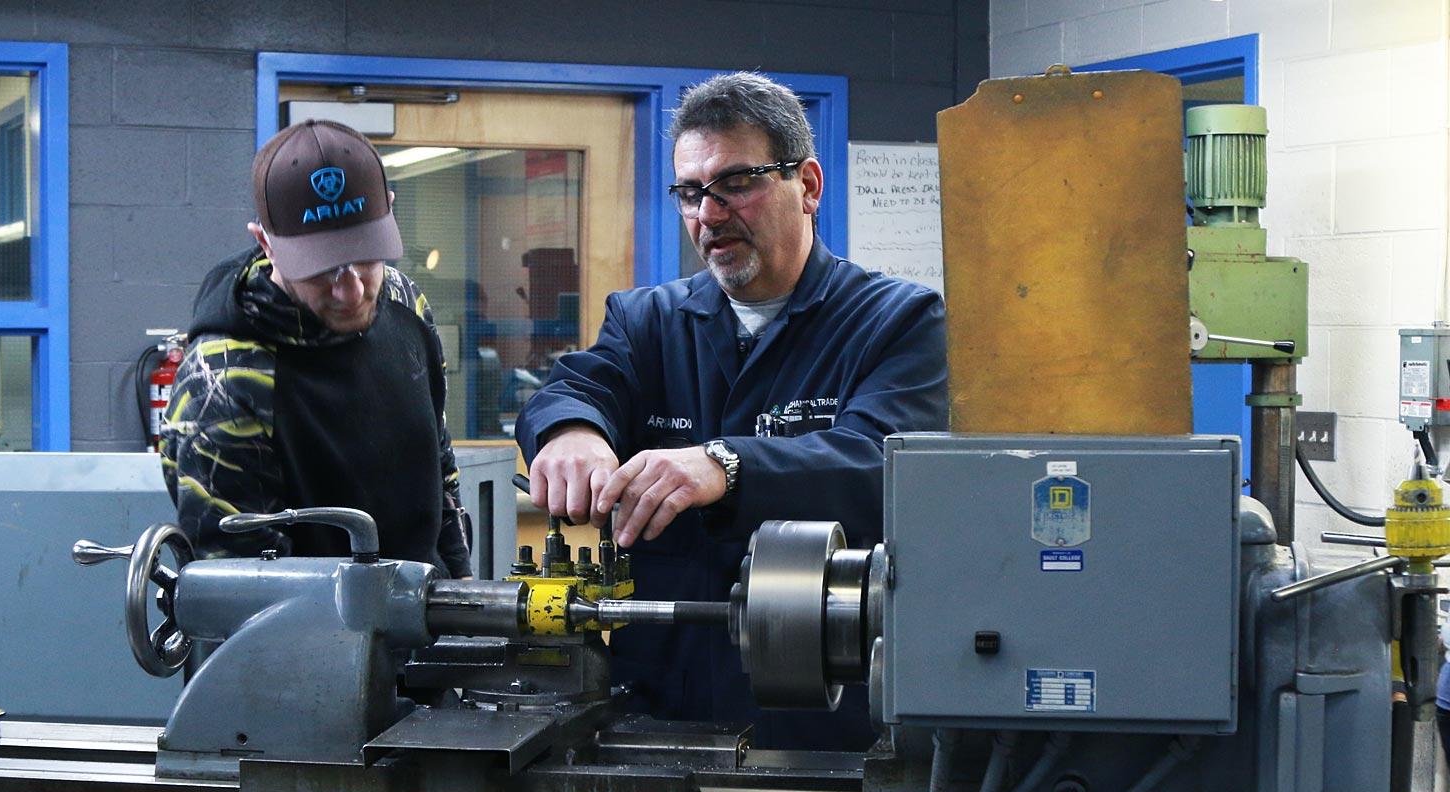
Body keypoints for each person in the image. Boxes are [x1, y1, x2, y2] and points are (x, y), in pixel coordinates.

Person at [516, 72, 948, 750]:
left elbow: (883, 460)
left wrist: (726, 463)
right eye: (690, 192)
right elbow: (581, 385)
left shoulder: (896, 320)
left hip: (820, 719)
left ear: (807, 186)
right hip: (654, 714)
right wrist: (571, 429)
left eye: (736, 184)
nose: (708, 215)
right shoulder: (648, 320)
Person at [161, 119, 471, 578]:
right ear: (265, 242)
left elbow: (437, 463)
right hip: (303, 636)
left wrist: (462, 589)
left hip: (426, 616)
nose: (351, 291)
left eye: (366, 257)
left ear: (389, 212)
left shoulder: (405, 302)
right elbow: (242, 585)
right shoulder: (225, 379)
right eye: (321, 268)